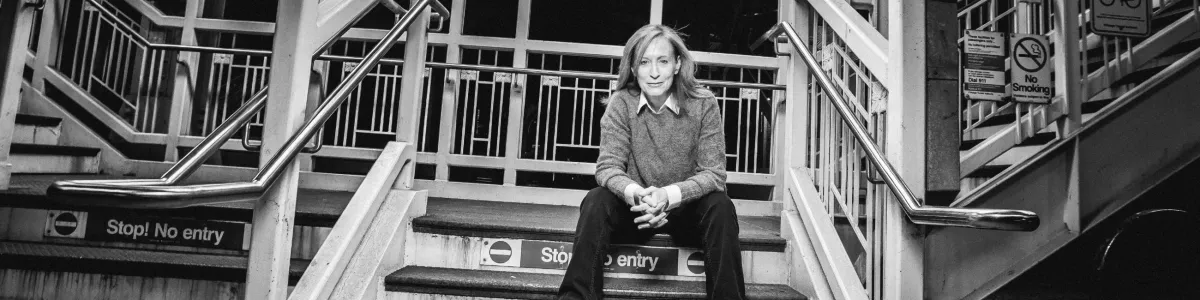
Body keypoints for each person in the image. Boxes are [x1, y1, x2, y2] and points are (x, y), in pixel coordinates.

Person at [557, 24, 745, 300]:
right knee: (596, 200)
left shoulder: (704, 103)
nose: (654, 72)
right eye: (644, 62)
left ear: (678, 64)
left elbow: (714, 174)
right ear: (633, 68)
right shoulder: (621, 102)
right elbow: (608, 168)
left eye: (663, 61)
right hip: (638, 210)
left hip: (685, 210)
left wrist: (668, 196)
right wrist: (639, 195)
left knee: (721, 206)